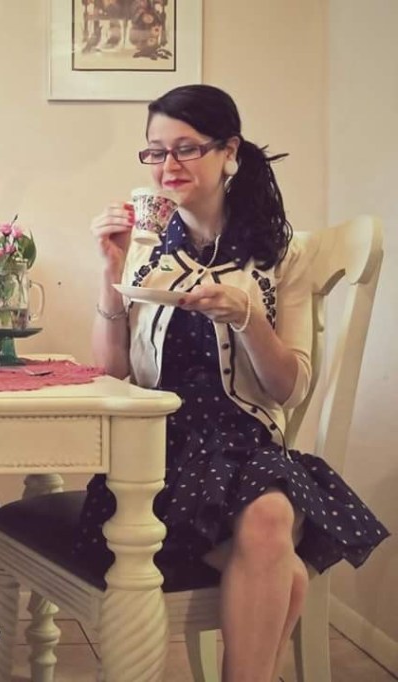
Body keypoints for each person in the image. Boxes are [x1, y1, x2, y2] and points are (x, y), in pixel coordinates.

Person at [79, 84, 389, 681]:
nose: (168, 166)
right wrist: (109, 273)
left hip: (246, 448)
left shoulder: (282, 258)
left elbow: (285, 388)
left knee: (269, 514)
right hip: (156, 454)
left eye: (186, 148)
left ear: (230, 152)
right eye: (155, 151)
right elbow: (112, 374)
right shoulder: (144, 253)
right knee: (286, 570)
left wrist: (249, 319)